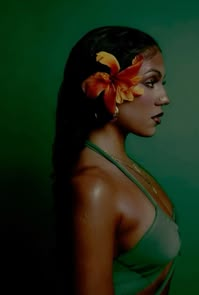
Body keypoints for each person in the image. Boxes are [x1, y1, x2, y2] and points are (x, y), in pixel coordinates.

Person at [52, 25, 181, 295]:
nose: (164, 98)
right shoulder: (95, 187)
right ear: (107, 89)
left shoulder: (123, 168)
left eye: (162, 83)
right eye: (150, 82)